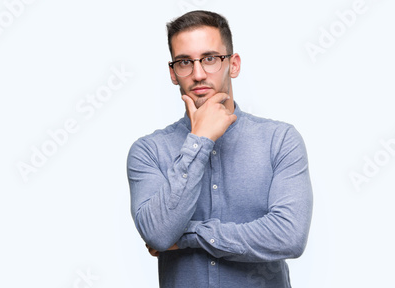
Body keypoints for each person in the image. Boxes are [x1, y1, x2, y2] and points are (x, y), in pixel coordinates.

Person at [127, 10, 313, 288]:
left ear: (234, 64)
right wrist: (199, 139)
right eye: (184, 62)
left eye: (210, 58)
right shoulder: (148, 151)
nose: (198, 73)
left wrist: (189, 235)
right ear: (173, 73)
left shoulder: (280, 140)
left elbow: (289, 236)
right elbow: (159, 235)